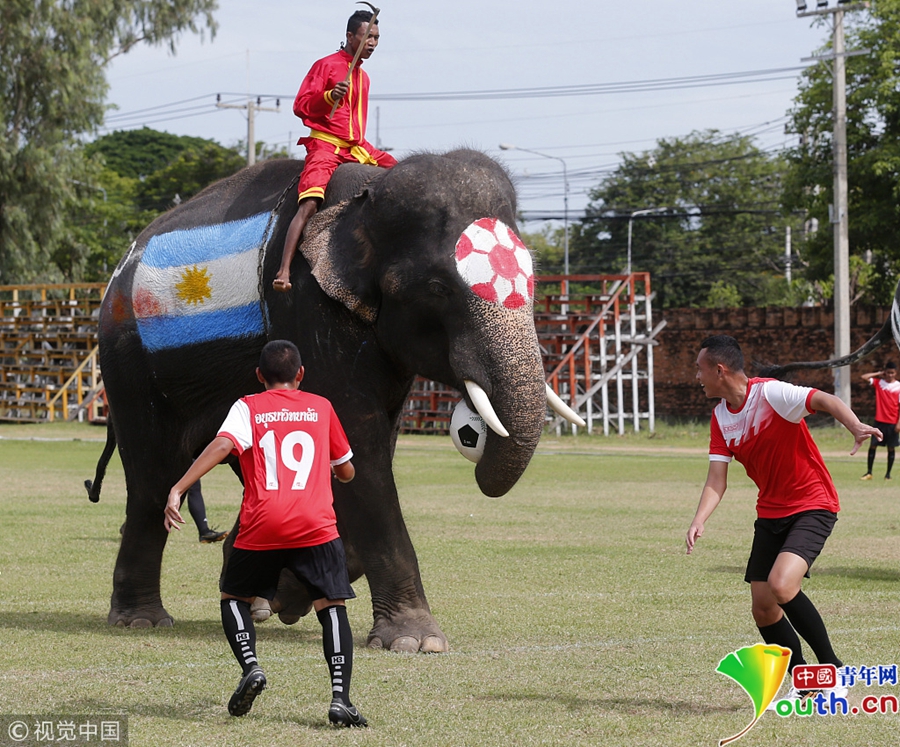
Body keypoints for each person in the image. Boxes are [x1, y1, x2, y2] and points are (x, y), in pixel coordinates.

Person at [164, 339, 366, 727]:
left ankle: (251, 667)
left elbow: (224, 444)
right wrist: (333, 471)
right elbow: (346, 470)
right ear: (301, 374)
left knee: (234, 597)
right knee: (331, 606)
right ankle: (340, 698)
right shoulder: (321, 407)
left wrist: (179, 487)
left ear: (259, 376)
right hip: (315, 525)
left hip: (262, 523)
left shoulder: (248, 406)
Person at [685, 335, 881, 703]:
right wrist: (699, 519)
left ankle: (833, 670)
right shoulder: (720, 417)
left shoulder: (771, 394)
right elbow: (717, 478)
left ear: (719, 369)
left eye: (700, 369)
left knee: (781, 583)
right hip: (771, 512)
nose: (698, 376)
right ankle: (806, 679)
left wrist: (854, 425)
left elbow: (824, 400)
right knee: (763, 607)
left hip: (813, 504)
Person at [273, 9, 397, 292]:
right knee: (310, 203)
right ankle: (283, 270)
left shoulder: (363, 78)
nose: (373, 43)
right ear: (350, 36)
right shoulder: (326, 66)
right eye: (368, 37)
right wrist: (328, 96)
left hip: (357, 147)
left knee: (400, 172)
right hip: (326, 144)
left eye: (376, 38)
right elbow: (301, 105)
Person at [859, 361, 900, 480]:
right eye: (888, 372)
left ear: (896, 373)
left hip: (892, 422)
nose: (890, 375)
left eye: (892, 373)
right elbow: (864, 377)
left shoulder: (899, 387)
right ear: (885, 372)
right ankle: (869, 472)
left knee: (891, 447)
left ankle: (888, 475)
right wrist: (878, 373)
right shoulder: (879, 383)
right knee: (873, 445)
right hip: (879, 421)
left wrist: (899, 423)